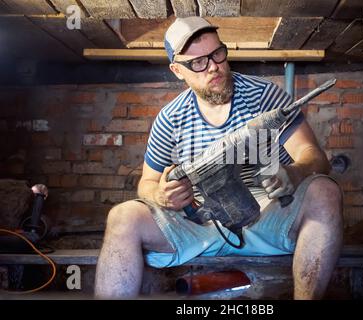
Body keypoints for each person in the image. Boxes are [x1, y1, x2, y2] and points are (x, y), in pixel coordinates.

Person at [94, 16, 343, 299]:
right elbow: (147, 182)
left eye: (218, 54)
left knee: (324, 190)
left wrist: (295, 173)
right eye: (197, 62)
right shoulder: (170, 118)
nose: (213, 66)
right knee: (122, 216)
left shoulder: (266, 97)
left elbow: (314, 157)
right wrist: (162, 195)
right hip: (201, 227)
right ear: (177, 70)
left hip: (267, 218)